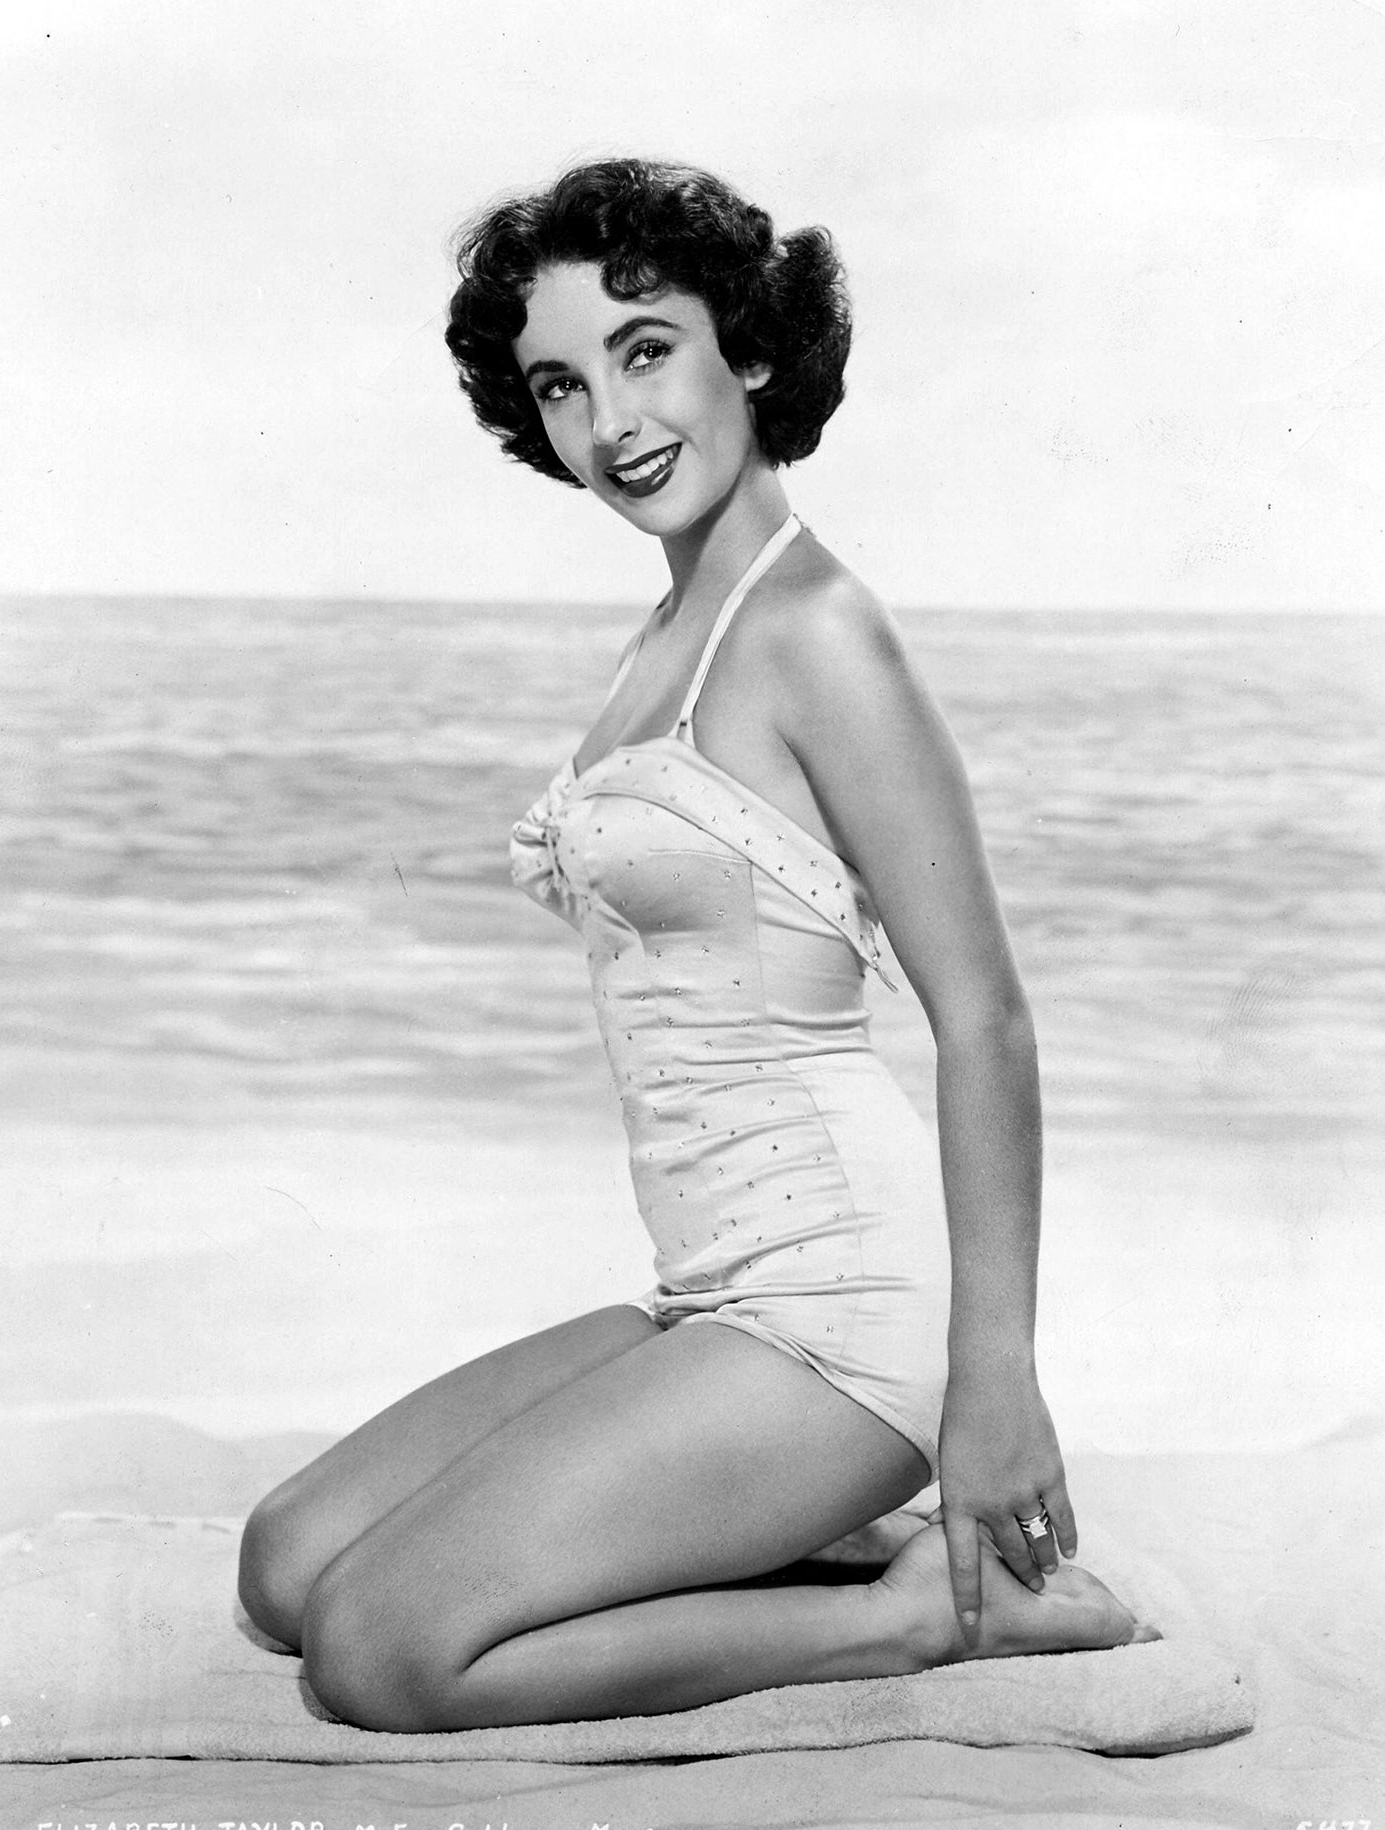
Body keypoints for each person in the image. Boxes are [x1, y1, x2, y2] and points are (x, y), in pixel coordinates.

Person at [237, 158, 1148, 1734]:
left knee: (378, 1653)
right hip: (714, 1300)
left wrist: (992, 1386)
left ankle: (908, 1616)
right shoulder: (669, 629)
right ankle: (779, 1533)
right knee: (285, 1563)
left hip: (853, 1321)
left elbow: (985, 1018)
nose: (612, 421)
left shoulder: (814, 630)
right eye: (560, 384)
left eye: (645, 348)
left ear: (749, 345)